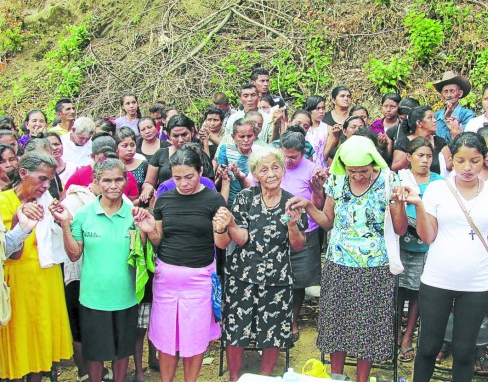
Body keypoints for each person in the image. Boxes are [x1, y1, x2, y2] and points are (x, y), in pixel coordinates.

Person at [289, 135, 408, 381]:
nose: (358, 176)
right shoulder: (337, 181)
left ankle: (362, 378)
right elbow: (327, 221)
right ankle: (336, 376)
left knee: (368, 326)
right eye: (352, 171)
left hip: (375, 267)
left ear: (374, 163)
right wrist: (310, 206)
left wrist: (397, 203)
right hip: (338, 265)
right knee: (336, 324)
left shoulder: (388, 181)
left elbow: (400, 229)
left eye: (363, 171)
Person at [407, 132, 488, 382]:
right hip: (437, 280)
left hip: (476, 285)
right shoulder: (438, 189)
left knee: (464, 351)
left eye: (475, 161)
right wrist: (418, 205)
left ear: (486, 159)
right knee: (427, 347)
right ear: (452, 160)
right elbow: (428, 236)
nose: (467, 168)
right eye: (460, 161)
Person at [51, 158, 154, 382]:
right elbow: (73, 254)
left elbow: (146, 255)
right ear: (96, 182)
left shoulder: (134, 214)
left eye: (118, 179)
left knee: (122, 351)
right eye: (106, 180)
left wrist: (149, 230)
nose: (113, 185)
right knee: (95, 353)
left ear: (126, 181)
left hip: (126, 298)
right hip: (92, 298)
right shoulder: (83, 215)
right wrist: (66, 225)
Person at [216, 146, 306, 382]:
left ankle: (265, 378)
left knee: (273, 331)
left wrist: (292, 226)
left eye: (275, 167)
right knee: (236, 328)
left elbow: (298, 245)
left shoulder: (292, 203)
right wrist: (232, 225)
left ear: (283, 170)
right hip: (242, 275)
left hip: (277, 278)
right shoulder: (246, 197)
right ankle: (235, 377)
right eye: (263, 169)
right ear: (255, 174)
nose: (271, 173)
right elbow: (242, 237)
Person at [141, 147, 228, 382]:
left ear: (200, 171)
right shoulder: (165, 199)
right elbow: (159, 239)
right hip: (166, 278)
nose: (184, 183)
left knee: (195, 338)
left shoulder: (213, 199)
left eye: (189, 176)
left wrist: (221, 227)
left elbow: (221, 244)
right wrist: (150, 231)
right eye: (177, 178)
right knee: (166, 338)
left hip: (199, 278)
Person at [0, 151, 73, 381]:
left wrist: (62, 222)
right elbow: (12, 254)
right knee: (19, 342)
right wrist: (17, 221)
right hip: (19, 282)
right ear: (23, 173)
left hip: (47, 278)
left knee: (42, 342)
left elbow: (63, 247)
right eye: (42, 178)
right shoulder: (4, 201)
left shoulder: (47, 203)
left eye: (50, 180)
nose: (46, 185)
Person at [396, 137, 444, 362]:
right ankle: (394, 332)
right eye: (420, 156)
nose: (425, 161)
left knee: (416, 292)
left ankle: (407, 337)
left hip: (425, 248)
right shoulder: (399, 178)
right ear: (409, 158)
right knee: (397, 291)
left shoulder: (439, 183)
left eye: (429, 156)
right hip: (399, 244)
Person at [278, 129, 326, 341]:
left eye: (293, 157)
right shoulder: (274, 164)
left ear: (302, 153)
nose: (288, 161)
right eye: (285, 155)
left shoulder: (312, 170)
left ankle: (292, 319)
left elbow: (318, 206)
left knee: (298, 279)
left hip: (304, 230)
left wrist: (317, 190)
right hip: (276, 230)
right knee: (278, 277)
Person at [64, 134, 139, 201]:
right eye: (101, 159)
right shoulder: (80, 175)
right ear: (92, 157)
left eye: (110, 158)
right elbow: (67, 196)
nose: (105, 163)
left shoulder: (125, 175)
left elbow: (133, 199)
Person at [392, 105, 452, 174]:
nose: (435, 121)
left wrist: (455, 134)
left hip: (436, 182)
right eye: (430, 118)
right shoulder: (403, 143)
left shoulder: (439, 141)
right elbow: (395, 168)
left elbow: (450, 166)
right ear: (419, 123)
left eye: (434, 118)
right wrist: (411, 153)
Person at [216, 118, 259, 206]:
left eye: (249, 136)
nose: (246, 140)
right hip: (231, 201)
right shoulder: (226, 150)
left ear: (255, 136)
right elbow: (218, 182)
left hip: (254, 200)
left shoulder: (260, 153)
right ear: (233, 137)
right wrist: (222, 173)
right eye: (242, 136)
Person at [433, 71, 475, 144]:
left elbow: (465, 140)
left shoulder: (467, 115)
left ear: (460, 93)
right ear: (442, 94)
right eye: (445, 92)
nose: (449, 95)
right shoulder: (437, 115)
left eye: (452, 91)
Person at [304, 95, 341, 169]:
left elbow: (325, 156)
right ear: (309, 110)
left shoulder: (328, 129)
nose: (321, 111)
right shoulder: (303, 127)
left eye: (323, 108)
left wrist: (335, 137)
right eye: (317, 109)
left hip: (320, 168)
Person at [370, 93, 402, 163]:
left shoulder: (402, 126)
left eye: (392, 107)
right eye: (385, 106)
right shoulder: (375, 125)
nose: (388, 110)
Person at [115, 127, 148, 195]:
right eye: (125, 146)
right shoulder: (112, 167)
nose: (130, 149)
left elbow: (149, 185)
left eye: (132, 145)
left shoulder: (144, 165)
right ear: (116, 148)